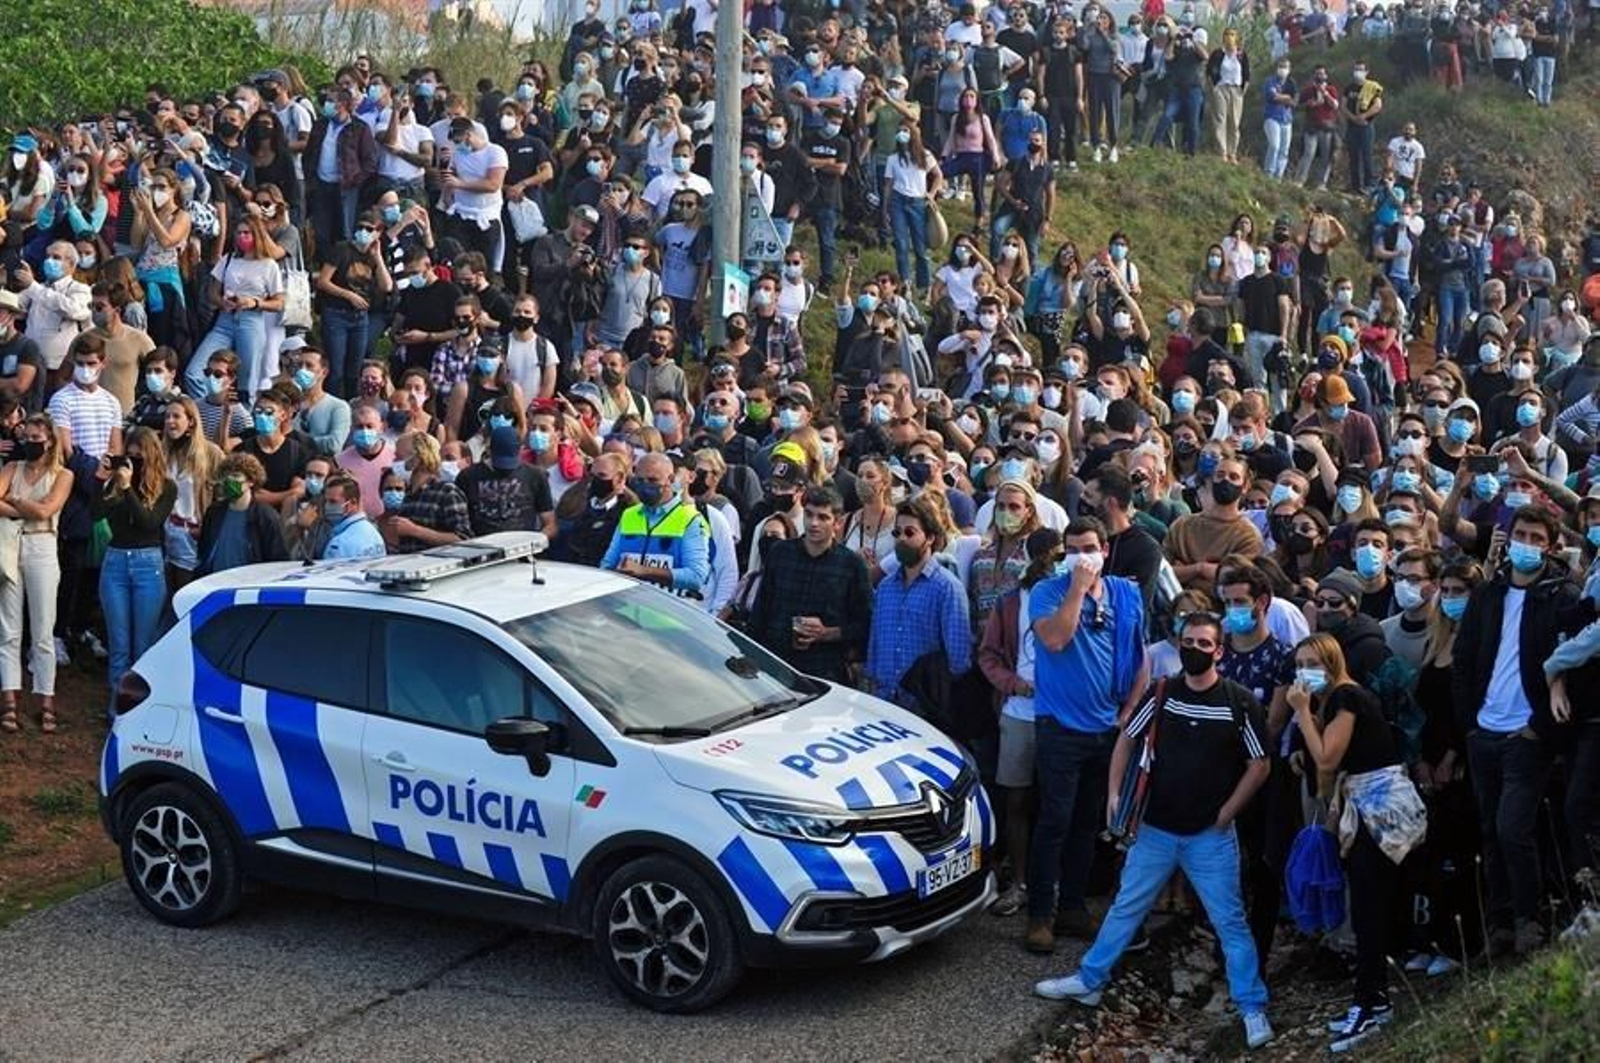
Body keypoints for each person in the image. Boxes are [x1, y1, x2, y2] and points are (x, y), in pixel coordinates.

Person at [1035, 610, 1273, 1052]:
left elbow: (1259, 765)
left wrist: (1227, 813)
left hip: (1210, 836)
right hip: (1156, 829)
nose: (1195, 650)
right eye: (1189, 641)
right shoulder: (1161, 692)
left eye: (1205, 644)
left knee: (1230, 922)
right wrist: (1113, 794)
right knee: (1126, 906)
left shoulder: (1238, 702)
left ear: (1219, 651)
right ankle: (1089, 979)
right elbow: (1127, 738)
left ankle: (1251, 1005)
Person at [1451, 504, 1581, 955]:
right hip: (1484, 732)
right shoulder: (1488, 594)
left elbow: (1571, 665)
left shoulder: (1561, 595)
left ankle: (1531, 918)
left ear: (1549, 545)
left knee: (1513, 829)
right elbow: (1465, 658)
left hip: (1527, 735)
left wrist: (1539, 727)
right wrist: (1469, 721)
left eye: (1535, 537)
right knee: (1490, 830)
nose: (1526, 544)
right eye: (1520, 534)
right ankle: (1500, 923)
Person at [1290, 633, 1421, 1053]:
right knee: (1366, 906)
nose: (1305, 671)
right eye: (1299, 663)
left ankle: (1372, 1002)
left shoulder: (1346, 697)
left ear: (1331, 662)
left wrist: (1301, 714)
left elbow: (1326, 757)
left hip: (1378, 813)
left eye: (1313, 662)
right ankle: (1370, 996)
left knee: (1368, 909)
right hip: (1360, 806)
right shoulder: (1337, 700)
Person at [1024, 517, 1147, 952]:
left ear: (1106, 549)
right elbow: (1055, 640)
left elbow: (1139, 654)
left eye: (1090, 548)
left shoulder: (1127, 594)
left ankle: (1073, 907)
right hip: (1060, 726)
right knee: (1054, 819)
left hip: (1106, 727)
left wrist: (1129, 710)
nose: (1082, 557)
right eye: (1072, 549)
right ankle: (1040, 912)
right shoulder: (1046, 592)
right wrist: (1077, 588)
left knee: (1086, 823)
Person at [747, 485, 871, 684]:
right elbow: (761, 610)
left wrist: (826, 633)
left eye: (823, 517)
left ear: (837, 523)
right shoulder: (780, 553)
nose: (813, 523)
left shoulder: (852, 565)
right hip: (775, 664)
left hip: (824, 670)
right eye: (809, 515)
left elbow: (865, 624)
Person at [864, 495, 973, 707]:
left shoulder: (947, 587)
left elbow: (959, 659)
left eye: (910, 532)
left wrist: (934, 692)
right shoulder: (886, 587)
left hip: (924, 707)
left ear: (930, 537)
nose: (902, 538)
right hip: (884, 702)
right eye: (897, 532)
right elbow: (875, 646)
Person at [0, 414, 72, 735]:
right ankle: (10, 700)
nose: (30, 443)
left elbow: (48, 511)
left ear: (50, 441)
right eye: (26, 437)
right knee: (9, 629)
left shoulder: (63, 474)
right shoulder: (12, 468)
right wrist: (27, 505)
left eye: (36, 438)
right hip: (11, 544)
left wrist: (13, 500)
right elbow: (37, 507)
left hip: (43, 544)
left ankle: (46, 698)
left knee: (43, 630)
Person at [94, 426, 175, 696]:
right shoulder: (116, 484)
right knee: (119, 644)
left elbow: (148, 522)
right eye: (129, 457)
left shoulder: (167, 487)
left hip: (147, 564)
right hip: (115, 560)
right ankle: (117, 707)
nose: (133, 462)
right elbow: (95, 514)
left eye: (138, 457)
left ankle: (138, 706)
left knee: (143, 645)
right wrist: (102, 479)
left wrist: (129, 489)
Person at [600, 451, 710, 597]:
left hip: (666, 614)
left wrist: (644, 571)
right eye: (640, 480)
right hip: (626, 612)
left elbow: (696, 577)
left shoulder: (690, 519)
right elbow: (607, 565)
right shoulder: (629, 515)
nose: (645, 486)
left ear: (670, 480)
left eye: (652, 480)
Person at [196, 453, 289, 576]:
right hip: (215, 582)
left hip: (247, 587)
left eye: (235, 475)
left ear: (251, 481)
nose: (229, 480)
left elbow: (278, 560)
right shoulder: (214, 512)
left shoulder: (266, 516)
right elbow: (204, 550)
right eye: (226, 476)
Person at [318, 474, 386, 559]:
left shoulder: (338, 545)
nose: (327, 506)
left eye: (333, 502)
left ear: (353, 502)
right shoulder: (374, 532)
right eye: (326, 501)